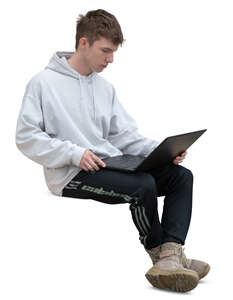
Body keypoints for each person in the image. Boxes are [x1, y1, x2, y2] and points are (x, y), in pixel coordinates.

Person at [15, 9, 210, 292]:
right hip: (71, 172)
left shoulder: (104, 88)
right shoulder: (43, 83)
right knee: (143, 185)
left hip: (110, 162)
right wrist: (74, 153)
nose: (111, 59)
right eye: (105, 50)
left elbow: (125, 136)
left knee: (182, 176)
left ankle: (172, 253)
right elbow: (26, 137)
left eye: (114, 52)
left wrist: (162, 151)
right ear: (84, 43)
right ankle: (159, 257)